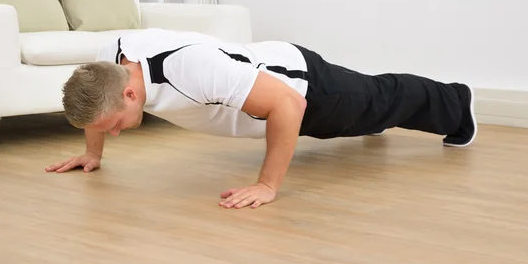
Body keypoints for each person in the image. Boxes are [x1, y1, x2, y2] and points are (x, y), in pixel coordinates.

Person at [46, 28, 477, 209]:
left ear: (129, 92)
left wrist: (267, 185)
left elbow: (289, 105)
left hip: (303, 86)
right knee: (370, 111)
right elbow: (95, 108)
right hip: (268, 90)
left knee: (380, 97)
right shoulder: (105, 68)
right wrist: (92, 151)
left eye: (115, 125)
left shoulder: (189, 69)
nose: (115, 132)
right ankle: (375, 119)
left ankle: (457, 101)